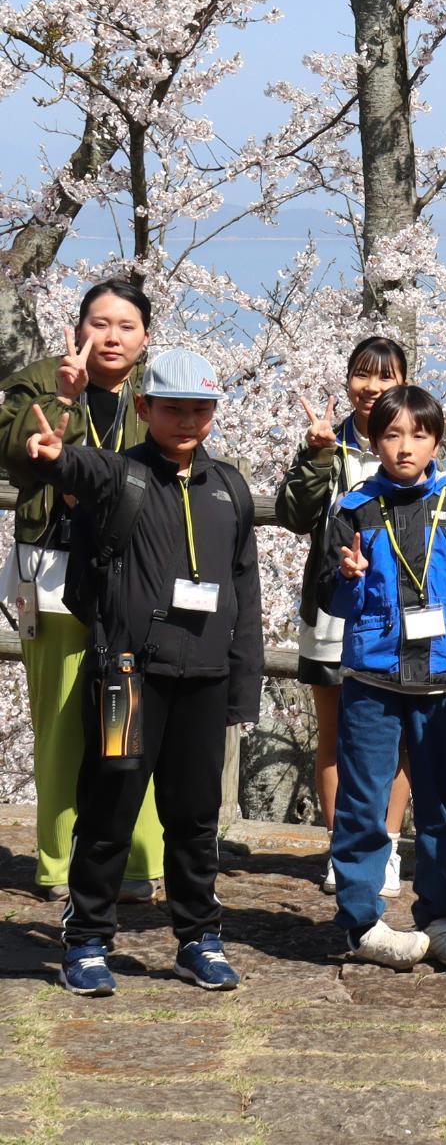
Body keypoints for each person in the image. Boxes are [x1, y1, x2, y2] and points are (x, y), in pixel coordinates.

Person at [19, 350, 263, 996]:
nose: (187, 419)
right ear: (145, 408)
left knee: (195, 816)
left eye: (200, 408)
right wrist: (49, 445)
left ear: (214, 412)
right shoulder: (120, 474)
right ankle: (88, 939)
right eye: (174, 407)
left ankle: (199, 938)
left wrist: (244, 681)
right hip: (127, 676)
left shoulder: (229, 487)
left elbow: (245, 590)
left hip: (205, 677)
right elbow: (65, 462)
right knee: (110, 808)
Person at [322, 385, 446, 972]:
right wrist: (347, 577)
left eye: (418, 435)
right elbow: (328, 599)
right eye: (392, 435)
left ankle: (438, 916)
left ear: (437, 441)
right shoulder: (352, 509)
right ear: (373, 441)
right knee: (363, 802)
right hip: (373, 680)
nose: (405, 447)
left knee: (441, 805)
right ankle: (361, 920)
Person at [0, 278, 165, 904]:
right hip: (51, 572)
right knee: (61, 722)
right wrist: (65, 401)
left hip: (134, 576)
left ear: (145, 336)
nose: (112, 337)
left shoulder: (158, 391)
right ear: (78, 327)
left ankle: (135, 863)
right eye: (100, 323)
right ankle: (57, 865)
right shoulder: (42, 379)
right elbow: (15, 457)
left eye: (126, 325)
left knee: (131, 722)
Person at [273, 335, 414, 898]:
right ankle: (342, 847)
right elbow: (293, 514)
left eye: (385, 376)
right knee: (333, 734)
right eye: (362, 374)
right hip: (332, 611)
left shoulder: (413, 440)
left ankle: (387, 846)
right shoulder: (327, 444)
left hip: (397, 615)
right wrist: (317, 456)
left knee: (398, 735)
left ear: (403, 382)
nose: (372, 387)